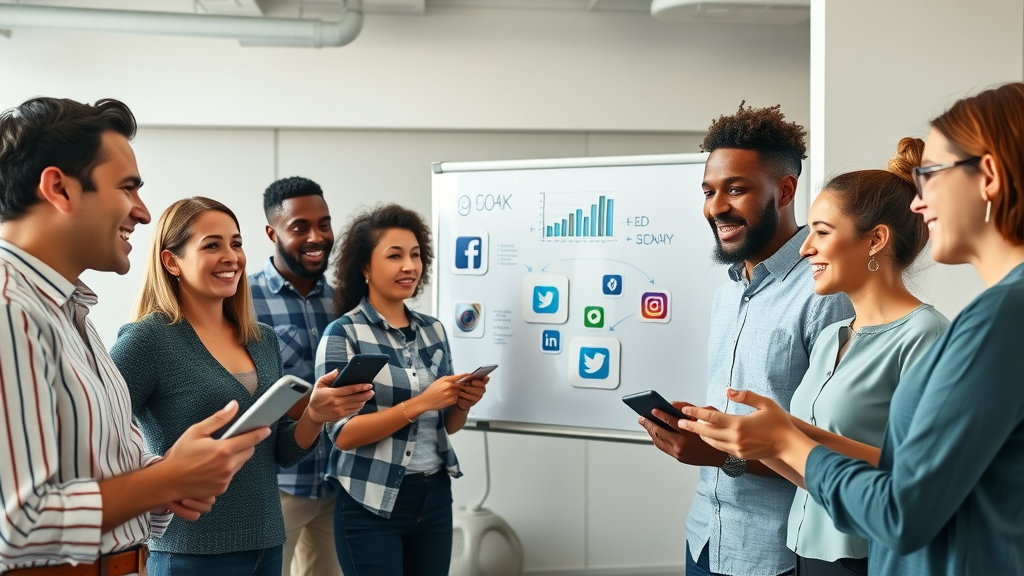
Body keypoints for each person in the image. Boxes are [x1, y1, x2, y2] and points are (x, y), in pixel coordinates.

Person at [681, 82, 1024, 575]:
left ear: (987, 176)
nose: (920, 204)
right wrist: (774, 433)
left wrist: (783, 441)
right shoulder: (990, 314)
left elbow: (904, 507)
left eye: (931, 175)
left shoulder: (992, 321)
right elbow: (909, 472)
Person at [0, 98, 267, 574]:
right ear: (59, 188)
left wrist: (170, 479)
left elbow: (101, 468)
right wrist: (166, 477)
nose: (143, 214)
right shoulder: (10, 309)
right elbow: (18, 523)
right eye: (127, 188)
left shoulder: (69, 311)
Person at [637, 103, 854, 576]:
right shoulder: (726, 294)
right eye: (709, 191)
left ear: (786, 190)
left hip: (778, 552)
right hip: (705, 538)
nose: (716, 207)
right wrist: (698, 428)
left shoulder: (826, 293)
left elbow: (836, 450)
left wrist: (719, 456)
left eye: (736, 189)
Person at [110, 197, 369, 576]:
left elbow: (278, 449)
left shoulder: (260, 338)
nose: (232, 256)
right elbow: (94, 430)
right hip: (191, 549)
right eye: (212, 245)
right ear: (172, 261)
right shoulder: (147, 340)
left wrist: (314, 414)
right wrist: (158, 476)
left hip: (266, 541)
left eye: (236, 243)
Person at [769, 138, 948, 576]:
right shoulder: (832, 335)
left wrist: (784, 436)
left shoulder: (926, 335)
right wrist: (757, 441)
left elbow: (919, 478)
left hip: (866, 559)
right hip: (802, 550)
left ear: (876, 241)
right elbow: (815, 468)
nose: (805, 247)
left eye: (822, 232)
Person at [318, 203, 487, 576]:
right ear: (365, 267)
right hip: (369, 499)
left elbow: (449, 425)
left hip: (434, 496)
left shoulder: (434, 330)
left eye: (414, 255)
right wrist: (422, 402)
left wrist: (464, 403)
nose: (409, 266)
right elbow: (342, 435)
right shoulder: (344, 334)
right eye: (394, 256)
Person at [249, 176, 357, 576]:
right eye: (299, 227)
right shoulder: (242, 299)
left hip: (335, 482)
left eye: (324, 224)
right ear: (271, 232)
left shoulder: (345, 301)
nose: (317, 236)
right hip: (276, 485)